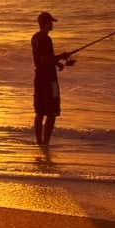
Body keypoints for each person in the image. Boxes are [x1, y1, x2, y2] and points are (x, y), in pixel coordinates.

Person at [31, 11, 75, 145]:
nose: (52, 25)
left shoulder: (35, 37)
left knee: (39, 111)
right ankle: (46, 143)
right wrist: (62, 56)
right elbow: (45, 60)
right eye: (51, 22)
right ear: (46, 23)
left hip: (39, 77)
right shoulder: (46, 39)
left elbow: (43, 59)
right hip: (49, 80)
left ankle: (39, 142)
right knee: (51, 113)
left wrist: (57, 63)